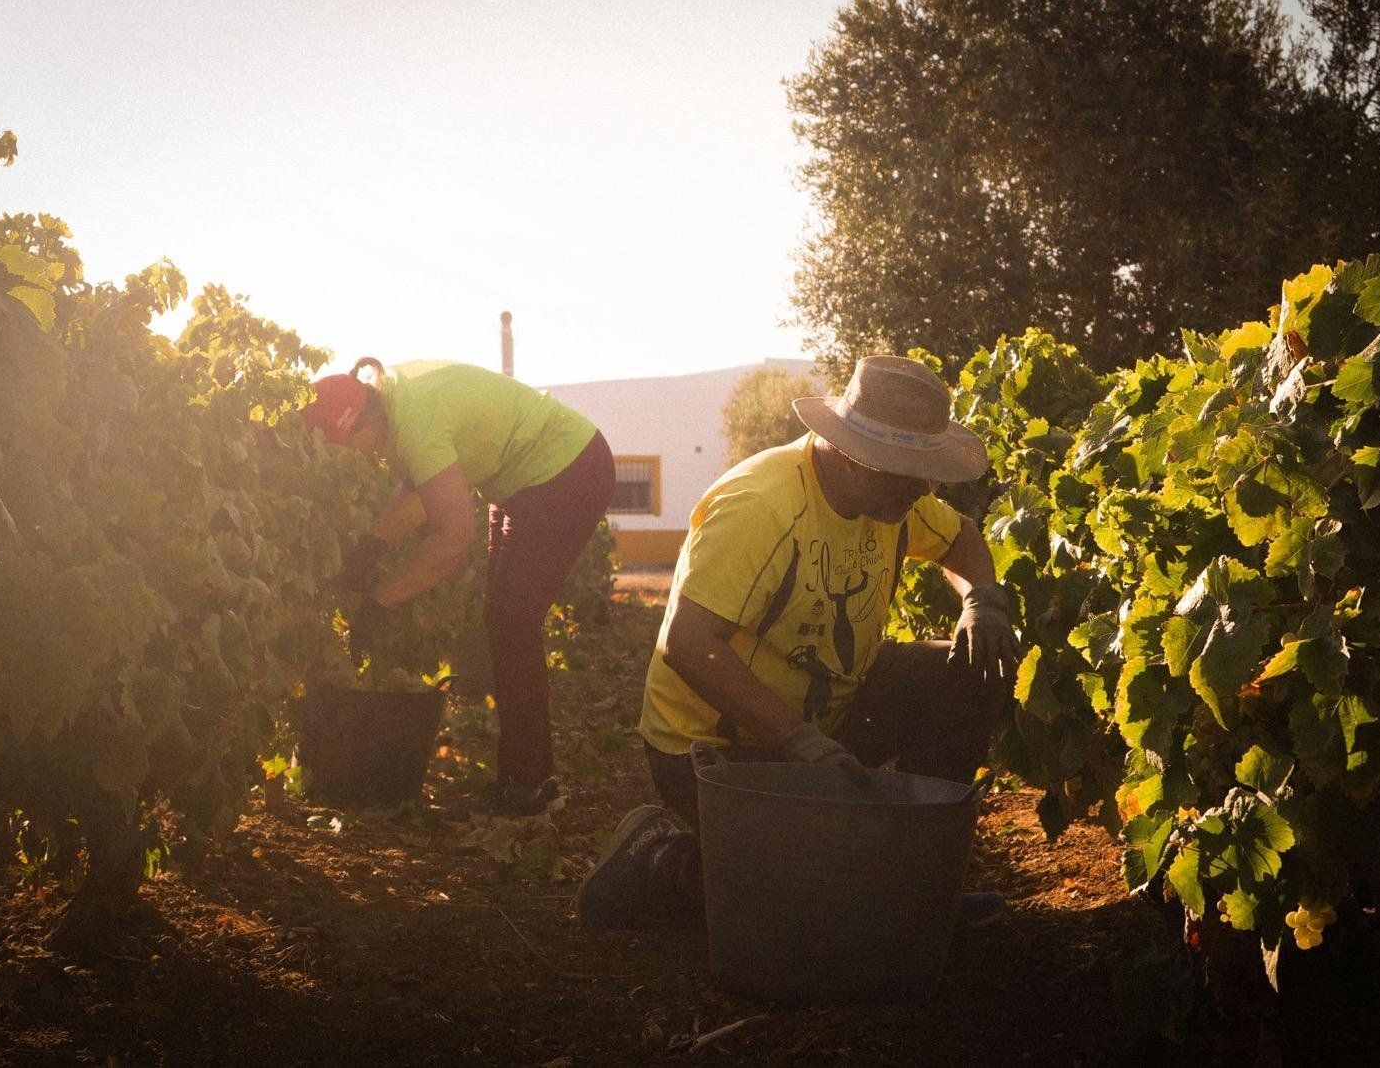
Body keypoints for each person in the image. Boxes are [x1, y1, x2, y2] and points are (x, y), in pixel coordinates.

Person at [575, 355, 1019, 928]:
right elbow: (686, 642)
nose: (925, 486)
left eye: (926, 468)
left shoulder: (893, 499)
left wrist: (981, 600)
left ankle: (917, 885)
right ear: (856, 455)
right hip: (717, 744)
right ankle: (663, 856)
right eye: (909, 470)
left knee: (966, 671)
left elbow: (959, 537)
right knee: (814, 911)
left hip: (829, 713)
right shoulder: (761, 506)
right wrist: (796, 740)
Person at [302, 357, 614, 816]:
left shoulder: (416, 423)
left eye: (347, 445)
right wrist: (372, 547)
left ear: (365, 422)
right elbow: (423, 493)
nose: (353, 456)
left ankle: (526, 787)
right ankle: (532, 781)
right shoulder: (396, 402)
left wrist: (379, 602)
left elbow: (453, 540)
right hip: (535, 478)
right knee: (507, 622)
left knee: (511, 621)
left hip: (565, 472)